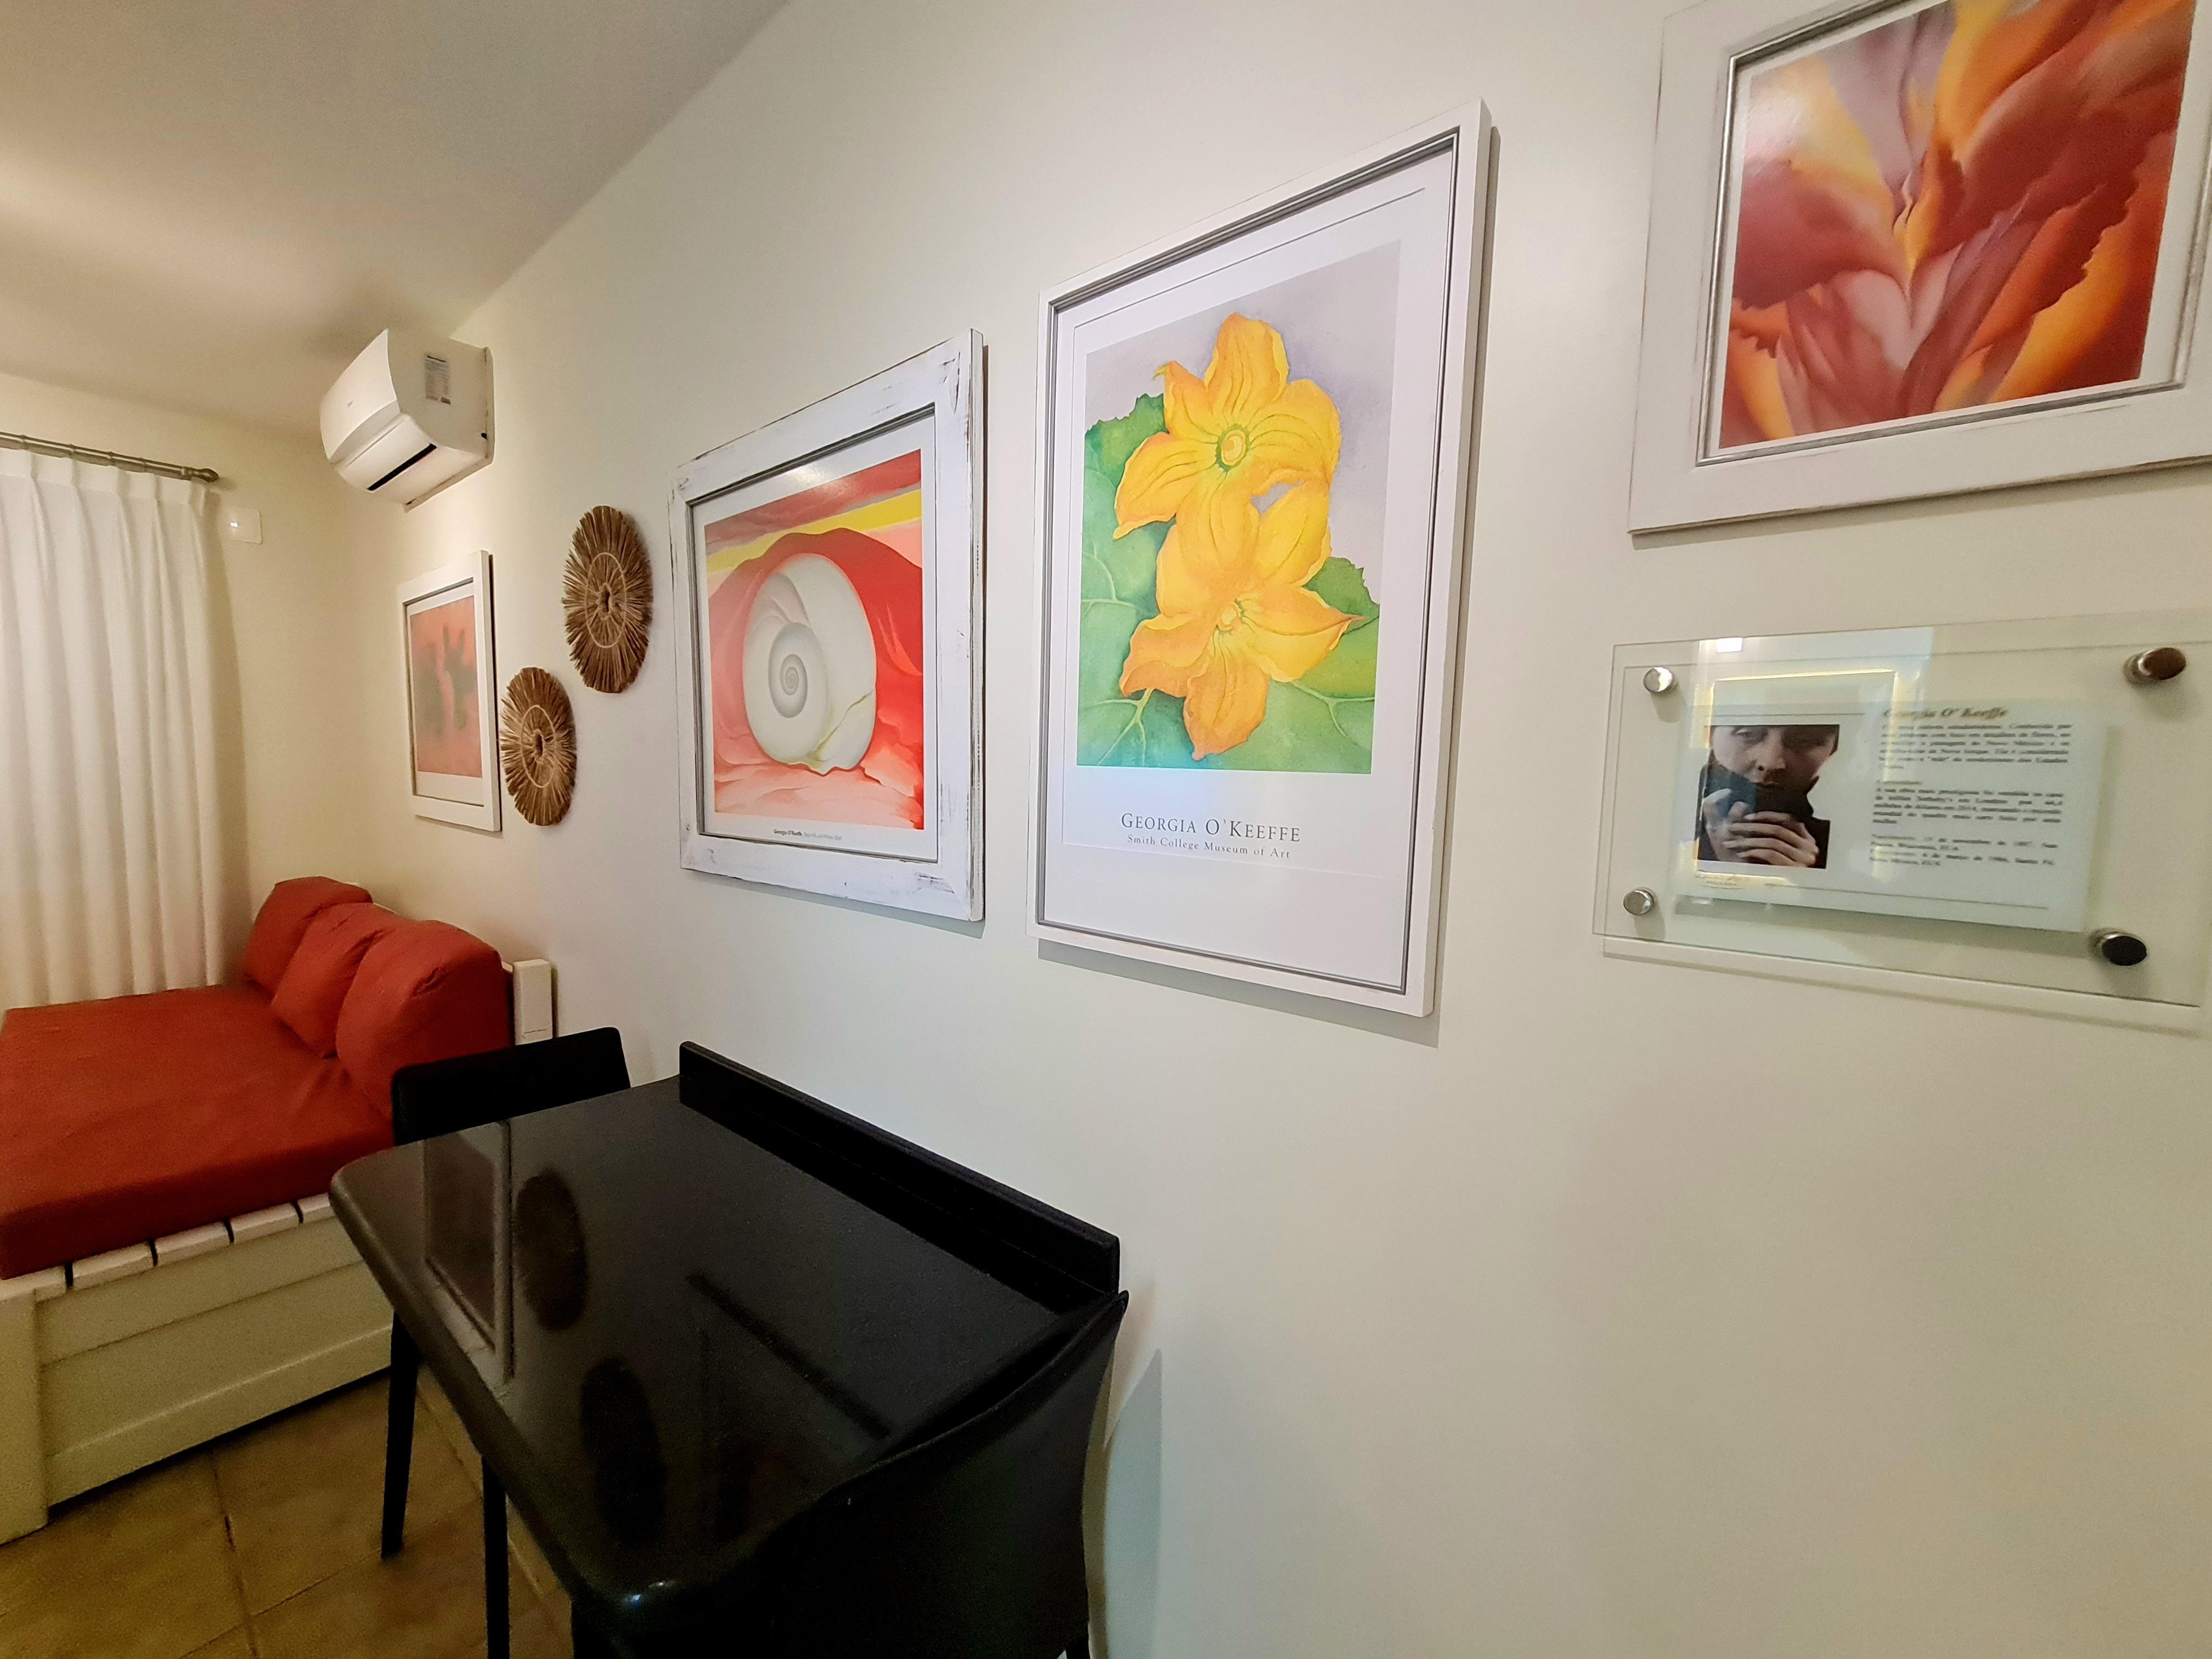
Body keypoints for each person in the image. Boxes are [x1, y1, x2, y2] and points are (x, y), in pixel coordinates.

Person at [1696, 722, 1838, 869]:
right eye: (1748, 735)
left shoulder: (1842, 848)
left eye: (1804, 741)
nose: (1770, 763)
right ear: (1710, 737)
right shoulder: (1681, 828)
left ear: (1833, 749)